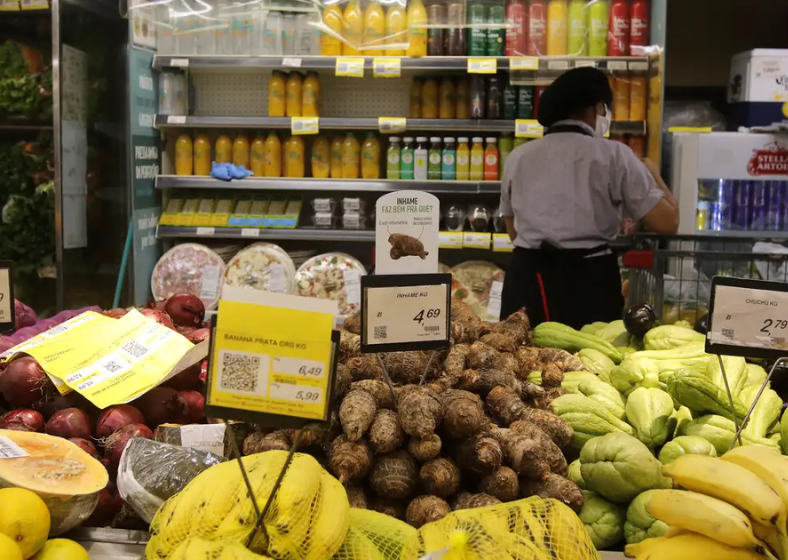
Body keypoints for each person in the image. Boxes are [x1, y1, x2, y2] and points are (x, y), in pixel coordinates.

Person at [499, 67, 678, 329]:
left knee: (520, 360)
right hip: (590, 278)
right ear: (596, 108)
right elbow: (667, 223)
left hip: (527, 277)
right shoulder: (614, 155)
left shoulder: (519, 156)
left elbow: (512, 228)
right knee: (591, 361)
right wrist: (654, 174)